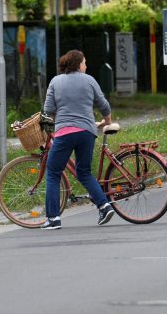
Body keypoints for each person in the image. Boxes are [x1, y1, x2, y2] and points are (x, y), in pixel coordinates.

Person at [40, 49, 116, 229]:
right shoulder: (89, 80)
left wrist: (50, 123)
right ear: (78, 64)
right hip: (87, 132)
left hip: (65, 133)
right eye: (84, 63)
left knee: (53, 173)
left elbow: (48, 109)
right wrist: (107, 122)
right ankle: (104, 205)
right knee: (84, 172)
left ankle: (53, 218)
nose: (86, 66)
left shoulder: (56, 81)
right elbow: (103, 104)